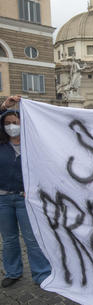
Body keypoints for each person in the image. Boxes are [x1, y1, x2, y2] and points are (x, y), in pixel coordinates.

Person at [0, 96, 51, 287]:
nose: (11, 126)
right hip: (2, 199)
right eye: (7, 123)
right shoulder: (1, 145)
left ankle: (42, 273)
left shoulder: (33, 146)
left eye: (15, 123)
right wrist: (5, 106)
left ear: (22, 124)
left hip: (25, 199)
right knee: (9, 239)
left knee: (33, 238)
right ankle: (13, 272)